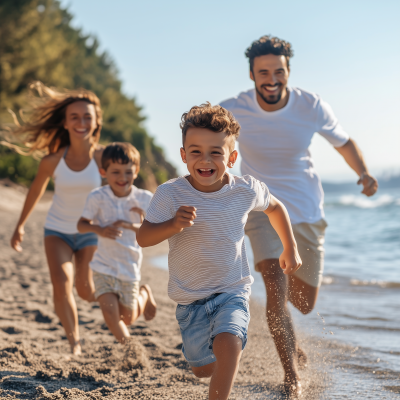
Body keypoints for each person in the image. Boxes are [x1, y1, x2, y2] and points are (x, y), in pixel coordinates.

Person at [220, 35, 378, 394]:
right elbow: (207, 139)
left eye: (278, 71)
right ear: (251, 74)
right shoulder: (233, 110)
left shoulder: (311, 105)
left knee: (303, 304)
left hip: (305, 210)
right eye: (263, 72)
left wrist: (363, 173)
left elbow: (343, 142)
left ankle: (288, 335)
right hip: (260, 209)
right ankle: (292, 377)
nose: (271, 79)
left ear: (288, 71)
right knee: (275, 288)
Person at [137, 103, 302, 400]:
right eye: (196, 151)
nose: (205, 160)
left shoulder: (245, 190)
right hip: (190, 299)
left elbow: (275, 207)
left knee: (229, 344)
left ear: (232, 157)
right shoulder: (170, 194)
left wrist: (289, 246)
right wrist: (173, 225)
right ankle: (212, 356)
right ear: (184, 155)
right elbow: (144, 237)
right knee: (202, 368)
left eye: (216, 152)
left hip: (232, 290)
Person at [9, 82, 104, 355]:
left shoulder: (103, 158)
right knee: (62, 285)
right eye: (74, 117)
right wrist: (20, 226)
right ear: (64, 122)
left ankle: (120, 296)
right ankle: (75, 342)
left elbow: (122, 188)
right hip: (57, 230)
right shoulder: (52, 161)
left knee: (85, 290)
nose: (81, 122)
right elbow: (35, 191)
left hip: (89, 232)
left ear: (96, 122)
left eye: (87, 117)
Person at [77, 142, 157, 344]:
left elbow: (154, 233)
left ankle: (144, 294)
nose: (122, 178)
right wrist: (100, 229)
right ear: (103, 172)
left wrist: (133, 226)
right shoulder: (98, 197)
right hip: (103, 266)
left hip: (129, 268)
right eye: (115, 172)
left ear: (136, 171)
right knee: (111, 315)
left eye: (128, 172)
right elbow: (81, 225)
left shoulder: (145, 198)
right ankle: (131, 349)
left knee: (127, 318)